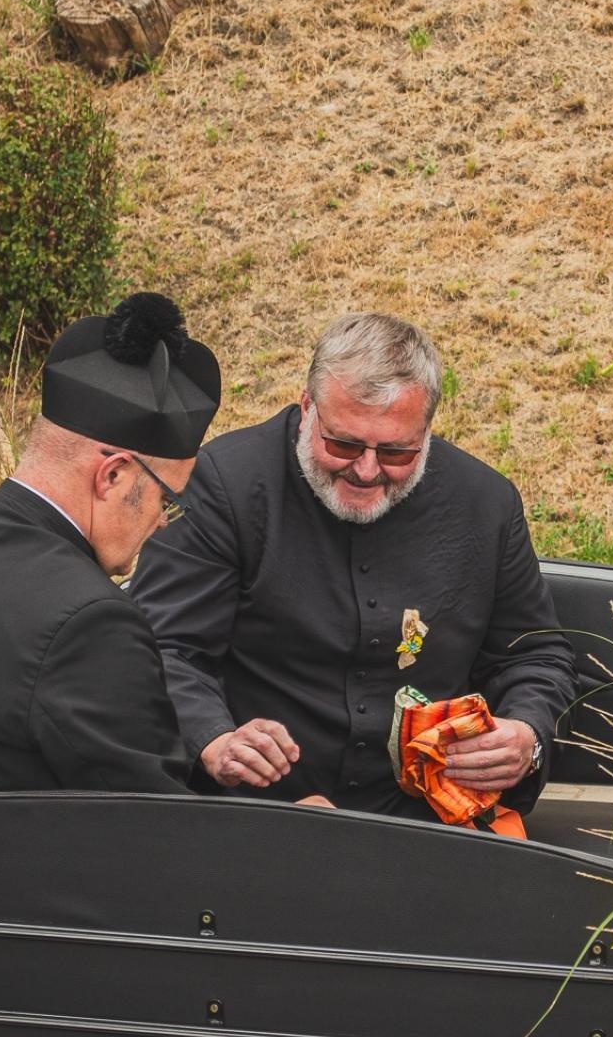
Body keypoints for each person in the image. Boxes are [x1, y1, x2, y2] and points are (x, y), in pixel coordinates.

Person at [128, 312, 577, 820]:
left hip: (427, 823)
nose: (366, 470)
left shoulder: (485, 504)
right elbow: (162, 646)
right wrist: (214, 740)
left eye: (396, 452)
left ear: (427, 430)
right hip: (258, 814)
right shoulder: (225, 484)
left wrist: (527, 735)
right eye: (343, 444)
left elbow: (534, 656)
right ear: (307, 409)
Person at [0, 293, 218, 797]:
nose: (164, 523)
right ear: (114, 474)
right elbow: (158, 830)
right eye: (167, 498)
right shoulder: (92, 623)